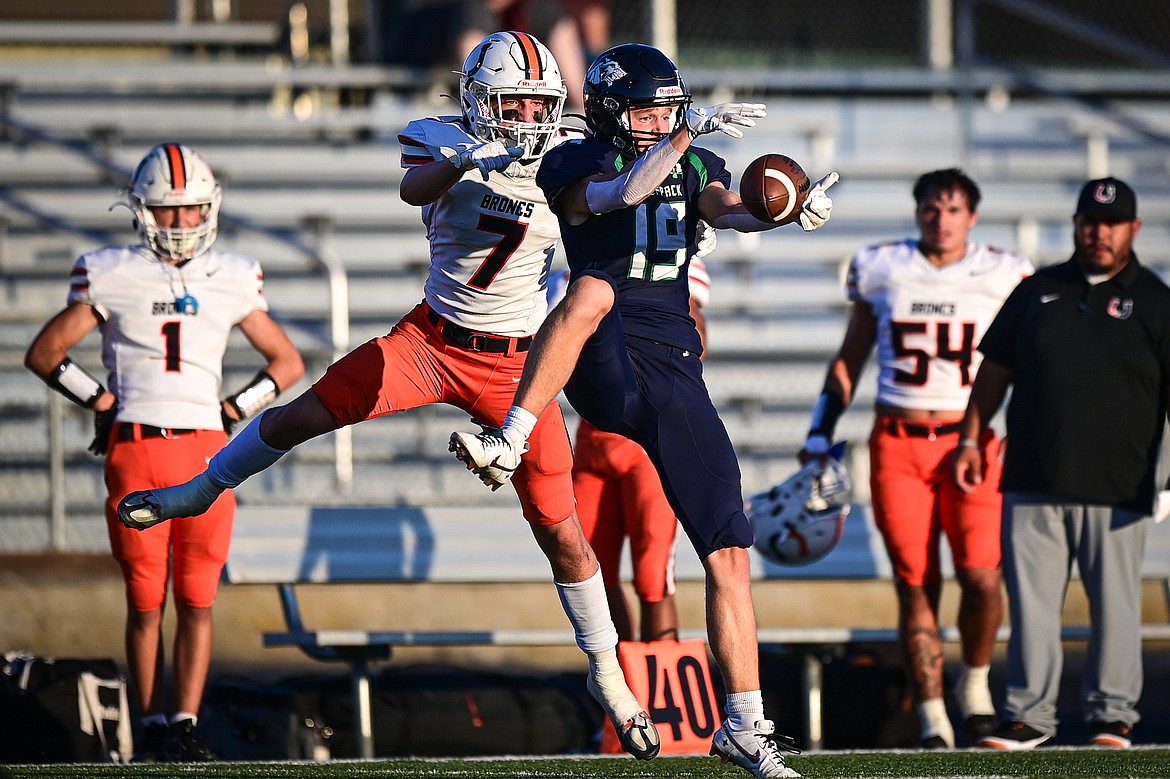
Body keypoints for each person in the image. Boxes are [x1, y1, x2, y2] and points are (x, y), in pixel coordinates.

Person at [113, 32, 662, 761]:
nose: (529, 115)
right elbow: (414, 186)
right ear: (477, 102)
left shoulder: (569, 150)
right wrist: (465, 160)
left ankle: (608, 673)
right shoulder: (441, 137)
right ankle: (200, 488)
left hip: (519, 366)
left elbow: (633, 179)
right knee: (306, 412)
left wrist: (700, 153)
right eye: (514, 101)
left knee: (559, 524)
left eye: (539, 102)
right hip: (432, 341)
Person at [449, 43, 838, 777]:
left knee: (729, 545)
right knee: (591, 290)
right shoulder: (572, 157)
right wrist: (690, 132)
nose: (660, 119)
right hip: (607, 355)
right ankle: (513, 436)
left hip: (677, 366)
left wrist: (783, 208)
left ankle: (746, 725)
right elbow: (620, 194)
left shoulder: (689, 161)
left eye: (668, 107)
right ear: (606, 110)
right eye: (647, 109)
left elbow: (728, 208)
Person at [24, 143, 305, 762]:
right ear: (142, 211)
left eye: (190, 210)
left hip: (207, 451)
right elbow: (45, 353)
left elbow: (287, 362)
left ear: (210, 209)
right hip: (142, 448)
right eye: (167, 211)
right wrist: (101, 401)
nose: (180, 223)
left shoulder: (231, 275)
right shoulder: (112, 271)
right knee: (147, 602)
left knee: (198, 601)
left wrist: (234, 409)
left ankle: (183, 721)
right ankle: (151, 721)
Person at [798, 168, 1033, 749]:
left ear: (972, 217)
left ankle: (974, 685)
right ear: (917, 211)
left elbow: (1032, 360)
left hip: (970, 441)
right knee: (916, 582)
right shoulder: (883, 267)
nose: (941, 218)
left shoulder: (1003, 273)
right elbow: (850, 357)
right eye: (932, 207)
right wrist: (821, 428)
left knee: (981, 575)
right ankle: (932, 713)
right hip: (898, 444)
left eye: (953, 209)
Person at [954, 176, 1168, 751]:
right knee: (1031, 609)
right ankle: (1028, 716)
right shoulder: (1037, 290)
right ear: (1075, 224)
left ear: (1133, 230)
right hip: (1033, 477)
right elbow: (993, 371)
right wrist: (971, 441)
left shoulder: (1155, 300)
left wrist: (1166, 475)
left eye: (1111, 223)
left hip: (1120, 484)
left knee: (1118, 607)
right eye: (1089, 221)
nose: (1098, 233)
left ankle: (1112, 716)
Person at [564, 247, 711, 644]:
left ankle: (661, 693)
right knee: (594, 575)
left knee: (652, 579)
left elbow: (695, 332)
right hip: (594, 438)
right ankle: (624, 689)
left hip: (648, 438)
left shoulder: (664, 244)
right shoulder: (583, 248)